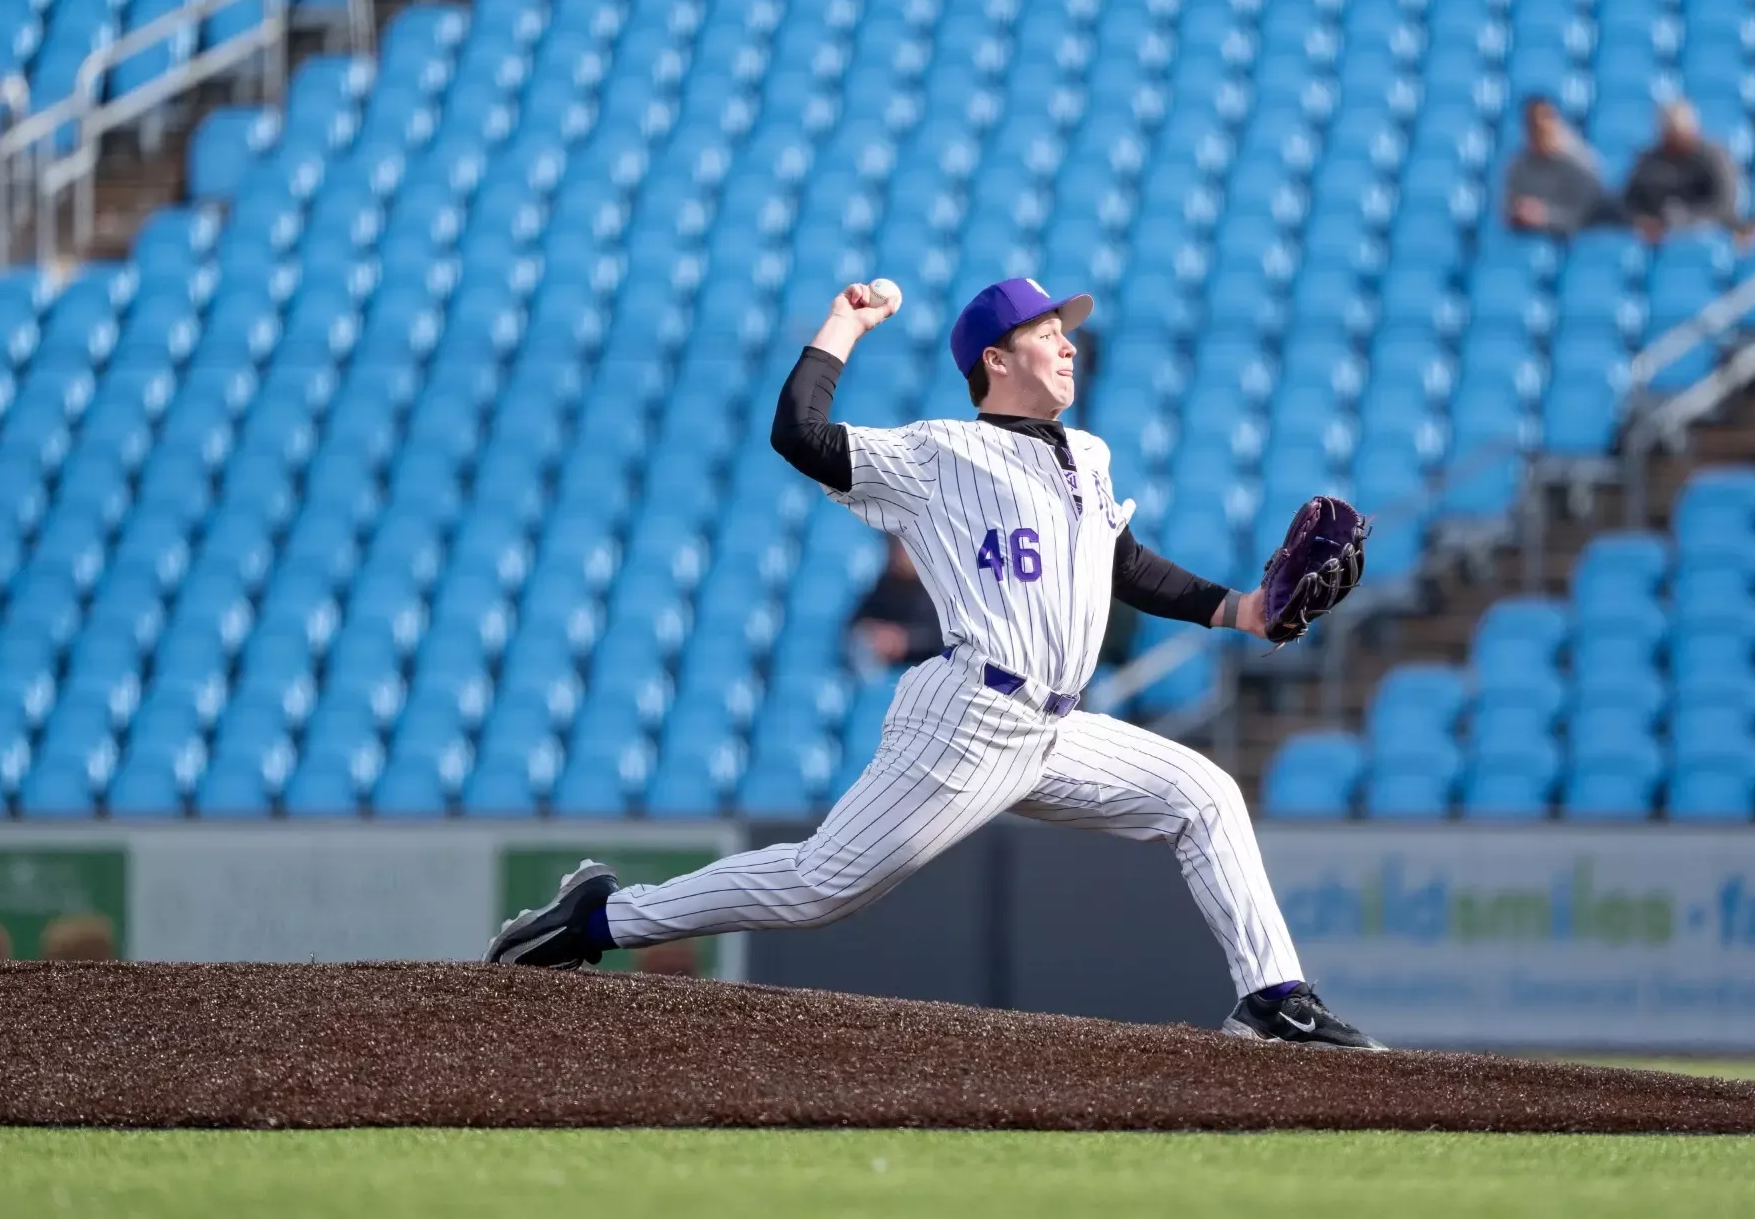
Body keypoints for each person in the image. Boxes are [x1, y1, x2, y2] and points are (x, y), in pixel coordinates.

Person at [487, 277, 1386, 1050]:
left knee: (1205, 795)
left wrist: (1243, 610)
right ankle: (598, 917)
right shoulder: (937, 453)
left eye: (1067, 333)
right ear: (996, 357)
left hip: (1055, 726)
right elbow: (799, 432)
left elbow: (1123, 563)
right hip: (970, 718)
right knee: (820, 886)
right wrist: (844, 324)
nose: (1069, 346)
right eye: (1048, 332)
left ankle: (1273, 998)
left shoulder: (1089, 455)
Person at [1622, 101, 1741, 241]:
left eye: (1678, 134)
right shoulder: (1649, 161)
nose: (1673, 141)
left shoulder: (1715, 158)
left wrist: (1683, 222)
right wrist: (1642, 221)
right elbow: (1628, 202)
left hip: (1709, 235)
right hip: (1657, 237)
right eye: (1668, 134)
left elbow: (1725, 205)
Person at [1504, 96, 1613, 237]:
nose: (1539, 130)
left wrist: (1545, 216)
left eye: (1545, 121)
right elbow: (1508, 211)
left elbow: (1589, 216)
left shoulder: (1580, 165)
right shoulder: (1518, 166)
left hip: (1573, 241)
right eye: (1532, 125)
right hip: (1528, 239)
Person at [848, 537, 945, 671]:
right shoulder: (886, 585)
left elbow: (943, 637)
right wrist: (872, 630)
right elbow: (857, 623)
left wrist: (904, 640)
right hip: (888, 672)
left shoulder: (941, 588)